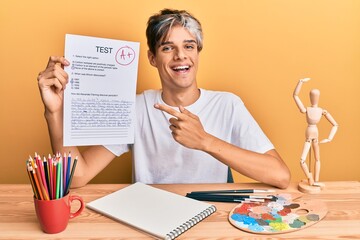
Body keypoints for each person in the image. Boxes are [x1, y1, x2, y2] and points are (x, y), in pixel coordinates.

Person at [37, 9, 290, 189]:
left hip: (212, 218)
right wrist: (54, 114)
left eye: (189, 46)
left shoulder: (228, 104)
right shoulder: (135, 108)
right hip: (151, 219)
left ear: (198, 53)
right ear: (152, 58)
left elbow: (280, 176)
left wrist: (205, 141)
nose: (181, 56)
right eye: (168, 48)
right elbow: (77, 176)